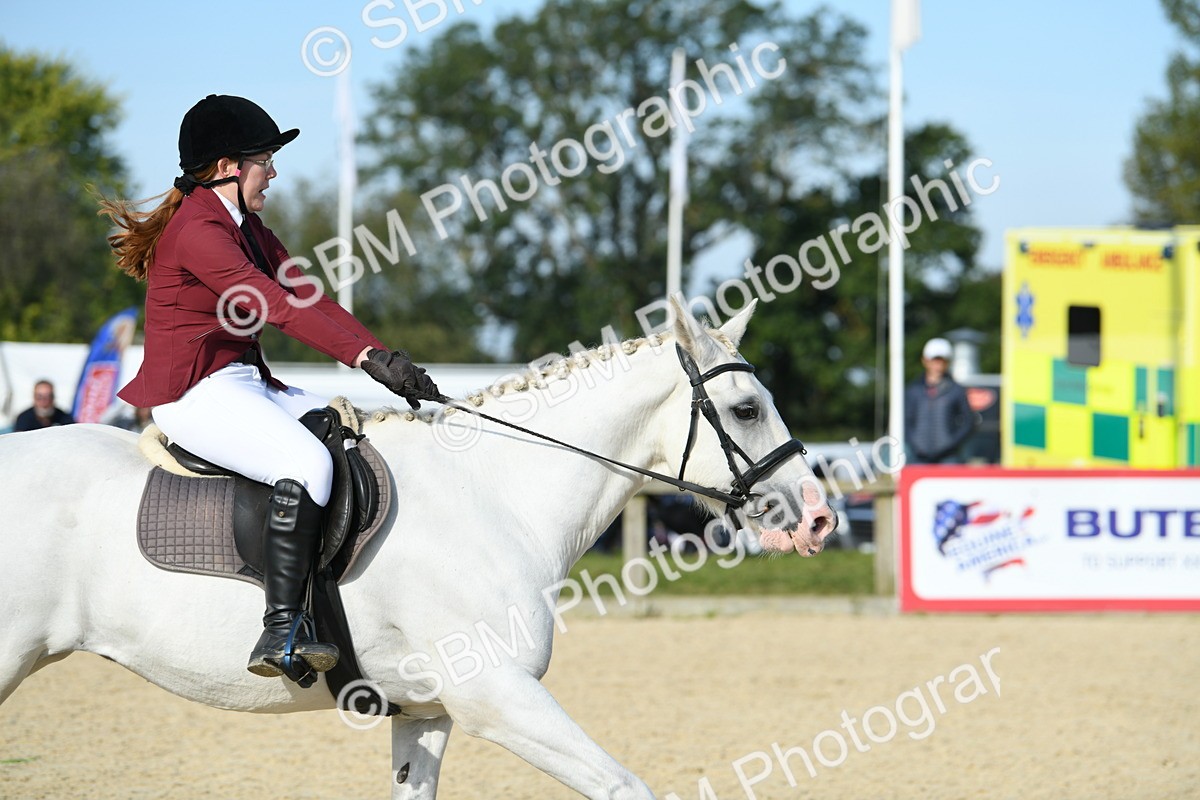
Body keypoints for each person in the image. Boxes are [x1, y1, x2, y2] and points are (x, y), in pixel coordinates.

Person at [97, 94, 440, 681]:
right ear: (228, 167)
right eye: (265, 161)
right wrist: (361, 357)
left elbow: (308, 296)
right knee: (307, 464)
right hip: (193, 393)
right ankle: (281, 628)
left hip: (243, 383)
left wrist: (383, 357)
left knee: (352, 433)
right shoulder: (198, 231)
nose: (273, 173)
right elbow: (277, 306)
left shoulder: (248, 228)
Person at [904, 337, 975, 465]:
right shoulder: (913, 390)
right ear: (925, 361)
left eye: (942, 360)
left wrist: (952, 443)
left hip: (949, 457)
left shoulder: (957, 390)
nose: (937, 365)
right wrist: (915, 443)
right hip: (919, 457)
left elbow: (968, 422)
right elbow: (906, 421)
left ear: (947, 362)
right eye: (934, 360)